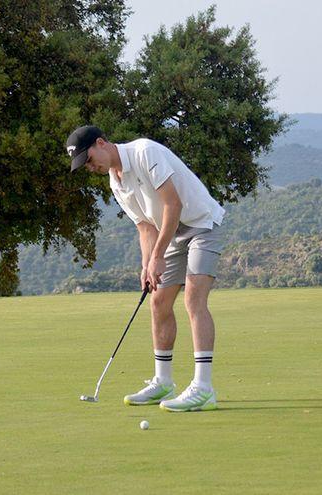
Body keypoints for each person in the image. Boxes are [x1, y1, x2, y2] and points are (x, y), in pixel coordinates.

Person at [66, 125, 226, 412]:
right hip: (171, 233)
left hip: (202, 224)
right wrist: (147, 263)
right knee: (159, 302)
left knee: (193, 299)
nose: (90, 167)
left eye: (89, 159)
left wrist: (159, 255)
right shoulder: (116, 182)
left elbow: (172, 205)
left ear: (101, 143)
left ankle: (203, 388)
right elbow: (144, 226)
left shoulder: (145, 152)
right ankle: (163, 382)